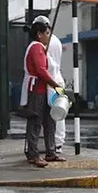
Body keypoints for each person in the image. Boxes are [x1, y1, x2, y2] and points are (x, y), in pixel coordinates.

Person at [20, 17, 65, 167]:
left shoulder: (40, 47)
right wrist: (55, 84)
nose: (49, 36)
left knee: (49, 120)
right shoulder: (36, 47)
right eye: (47, 33)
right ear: (39, 34)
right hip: (37, 89)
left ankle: (51, 151)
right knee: (35, 121)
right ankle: (33, 154)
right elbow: (41, 71)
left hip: (45, 89)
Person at [43, 15, 67, 153]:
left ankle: (55, 142)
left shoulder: (47, 42)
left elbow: (48, 65)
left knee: (55, 112)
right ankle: (58, 142)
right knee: (59, 111)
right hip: (59, 81)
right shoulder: (56, 40)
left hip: (51, 83)